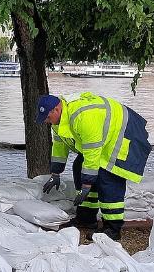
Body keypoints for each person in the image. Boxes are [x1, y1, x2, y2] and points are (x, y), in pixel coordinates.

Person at [38, 93, 151, 240]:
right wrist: (56, 173)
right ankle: (86, 219)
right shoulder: (58, 122)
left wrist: (86, 184)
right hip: (103, 140)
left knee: (108, 179)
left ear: (56, 110)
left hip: (122, 135)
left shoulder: (83, 116)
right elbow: (59, 147)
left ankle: (112, 229)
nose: (47, 122)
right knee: (79, 166)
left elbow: (92, 152)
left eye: (47, 117)